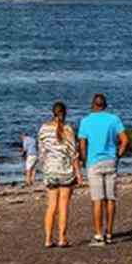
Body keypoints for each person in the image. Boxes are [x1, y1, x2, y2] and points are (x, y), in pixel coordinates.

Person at [77, 93, 128, 246]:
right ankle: (109, 233)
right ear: (105, 105)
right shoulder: (114, 119)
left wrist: (84, 160)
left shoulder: (85, 121)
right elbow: (125, 140)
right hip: (110, 160)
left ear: (93, 105)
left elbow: (82, 144)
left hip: (94, 162)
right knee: (111, 198)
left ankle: (99, 234)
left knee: (97, 200)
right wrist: (118, 155)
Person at [39, 102, 83, 248]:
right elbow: (73, 154)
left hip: (50, 170)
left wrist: (44, 167)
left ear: (52, 112)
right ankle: (62, 238)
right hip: (65, 171)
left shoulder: (44, 129)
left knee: (51, 206)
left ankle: (47, 239)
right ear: (65, 113)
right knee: (63, 206)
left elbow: (42, 152)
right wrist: (78, 173)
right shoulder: (68, 129)